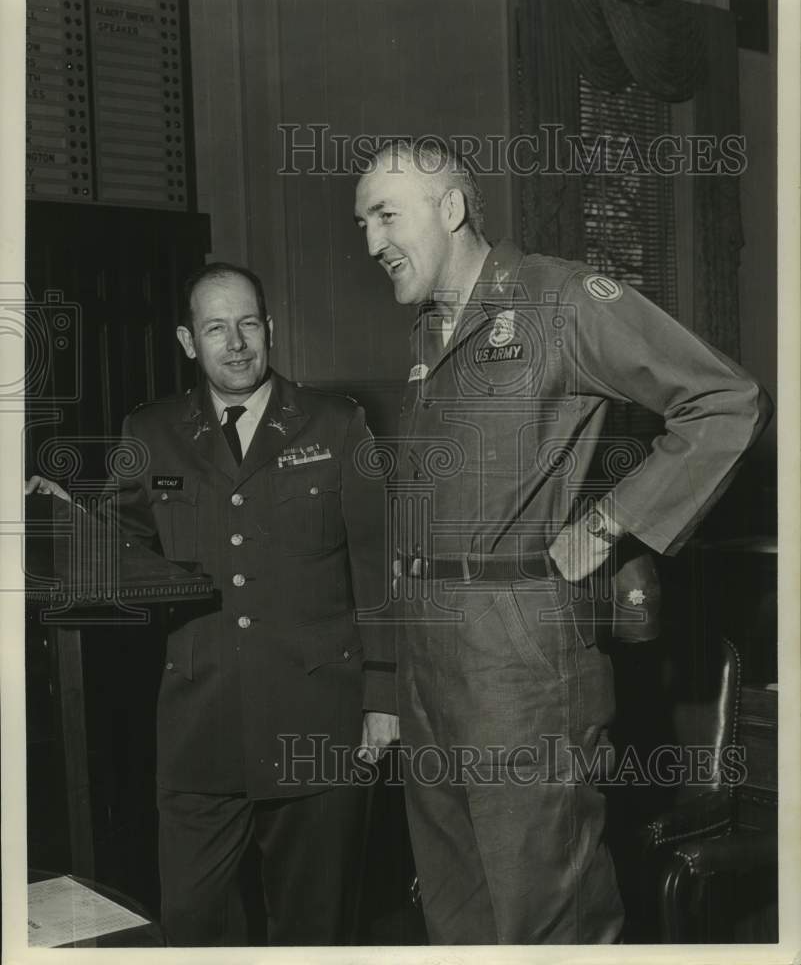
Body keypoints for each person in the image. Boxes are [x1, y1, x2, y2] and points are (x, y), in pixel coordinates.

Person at [353, 139, 772, 944]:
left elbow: (725, 401)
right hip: (433, 656)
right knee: (453, 907)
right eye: (362, 222)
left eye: (385, 216)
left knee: (545, 915)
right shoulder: (429, 335)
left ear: (449, 209)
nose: (370, 242)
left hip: (521, 660)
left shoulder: (562, 300)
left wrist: (612, 522)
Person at [29, 262, 398, 946]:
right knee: (194, 927)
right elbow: (120, 549)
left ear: (270, 329)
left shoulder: (336, 423)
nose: (236, 343)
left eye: (248, 324)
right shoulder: (152, 430)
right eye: (215, 328)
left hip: (317, 719)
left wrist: (384, 697)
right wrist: (65, 522)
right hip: (200, 726)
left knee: (314, 932)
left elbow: (379, 569)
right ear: (186, 340)